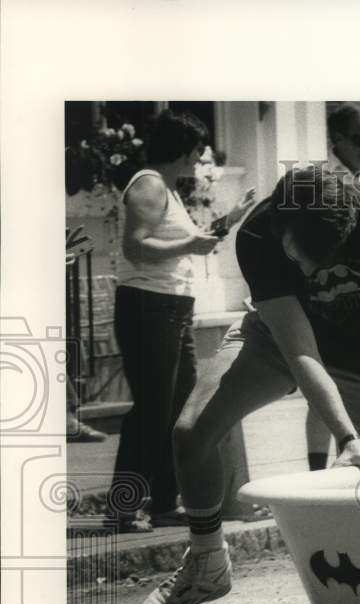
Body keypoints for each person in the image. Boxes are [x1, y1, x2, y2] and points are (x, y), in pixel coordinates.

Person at [134, 167, 360, 604]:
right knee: (191, 433)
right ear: (279, 225)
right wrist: (346, 435)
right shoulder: (257, 234)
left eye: (323, 257)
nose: (312, 271)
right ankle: (207, 564)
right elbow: (301, 352)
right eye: (301, 258)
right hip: (279, 341)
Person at [110, 109, 255, 533]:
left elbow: (182, 243)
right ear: (183, 149)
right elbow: (136, 248)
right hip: (147, 307)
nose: (201, 158)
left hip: (172, 307)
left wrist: (229, 222)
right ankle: (124, 507)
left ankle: (163, 502)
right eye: (197, 150)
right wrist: (191, 242)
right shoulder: (150, 184)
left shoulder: (167, 190)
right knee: (152, 411)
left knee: (178, 410)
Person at [304, 102, 360, 470]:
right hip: (328, 289)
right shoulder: (320, 177)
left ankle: (359, 459)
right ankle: (315, 469)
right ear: (336, 140)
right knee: (322, 388)